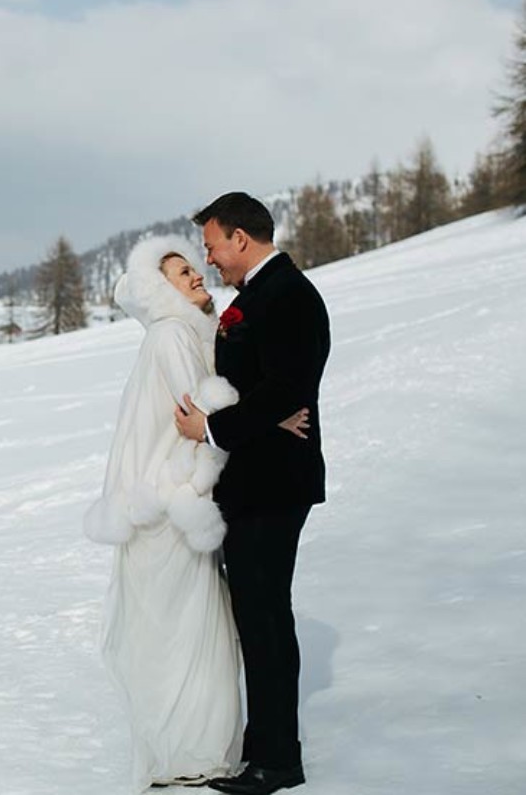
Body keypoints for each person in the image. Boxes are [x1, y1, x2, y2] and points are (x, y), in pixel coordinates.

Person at [86, 235, 309, 792]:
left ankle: (197, 745)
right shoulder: (172, 337)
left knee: (194, 629)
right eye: (181, 272)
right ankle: (193, 749)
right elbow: (200, 407)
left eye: (193, 266)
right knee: (187, 631)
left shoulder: (186, 332)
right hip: (170, 507)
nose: (195, 276)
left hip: (175, 504)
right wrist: (275, 419)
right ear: (161, 292)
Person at [175, 192, 330, 795]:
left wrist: (212, 427)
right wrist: (267, 411)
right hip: (252, 480)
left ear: (241, 238)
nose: (209, 258)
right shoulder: (256, 298)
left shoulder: (288, 295)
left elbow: (288, 383)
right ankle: (265, 749)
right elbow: (268, 389)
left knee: (264, 620)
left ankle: (275, 760)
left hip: (273, 485)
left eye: (212, 245)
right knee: (256, 618)